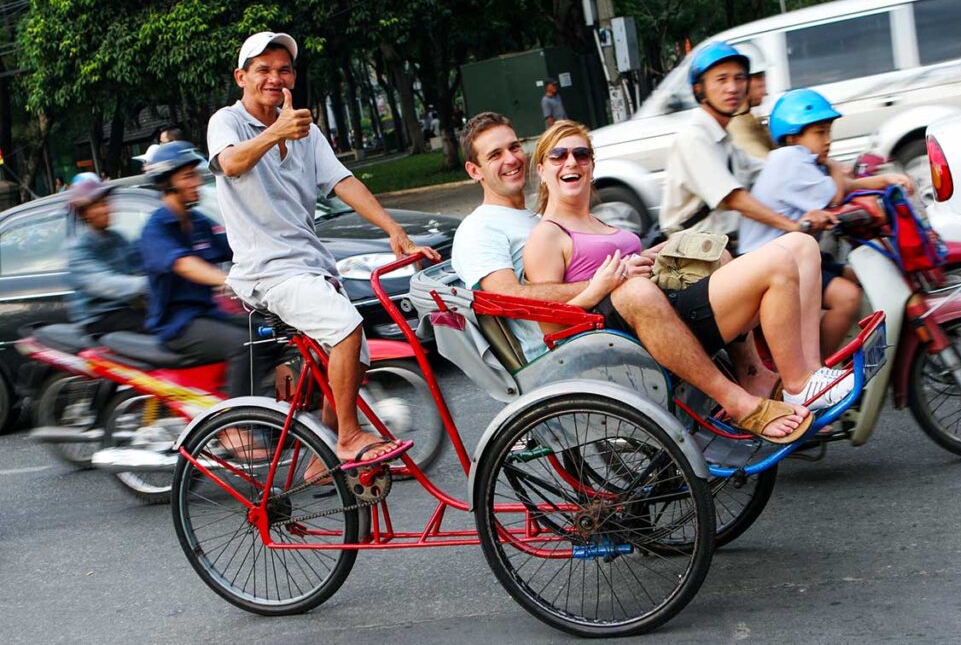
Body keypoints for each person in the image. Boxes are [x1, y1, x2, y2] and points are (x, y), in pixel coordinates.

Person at [453, 112, 819, 444]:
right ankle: (760, 392)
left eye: (513, 147)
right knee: (643, 290)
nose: (511, 159)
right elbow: (507, 297)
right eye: (495, 155)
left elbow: (590, 258)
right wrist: (605, 281)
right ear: (475, 171)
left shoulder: (536, 217)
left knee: (726, 252)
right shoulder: (483, 229)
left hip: (626, 308)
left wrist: (646, 257)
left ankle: (758, 371)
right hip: (581, 343)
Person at [206, 31, 437, 467]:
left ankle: (324, 456)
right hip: (269, 271)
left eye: (284, 70)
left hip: (311, 264)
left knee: (358, 352)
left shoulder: (304, 131)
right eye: (264, 70)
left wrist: (393, 229)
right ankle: (349, 436)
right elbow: (231, 163)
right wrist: (276, 131)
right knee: (346, 328)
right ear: (242, 77)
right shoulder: (228, 121)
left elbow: (342, 181)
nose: (275, 78)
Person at [523, 120, 854, 424]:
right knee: (778, 263)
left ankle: (810, 372)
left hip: (664, 304)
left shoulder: (599, 223)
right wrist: (598, 288)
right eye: (558, 155)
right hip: (636, 334)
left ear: (592, 166)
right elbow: (552, 328)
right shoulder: (547, 235)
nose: (571, 162)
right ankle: (796, 383)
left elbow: (629, 267)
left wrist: (650, 255)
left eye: (581, 154)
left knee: (801, 246)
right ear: (542, 169)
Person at [739, 89, 915, 354]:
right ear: (793, 136)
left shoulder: (803, 162)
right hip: (768, 264)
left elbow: (848, 184)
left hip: (794, 257)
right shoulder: (788, 160)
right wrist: (833, 166)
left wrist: (887, 181)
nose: (827, 140)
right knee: (847, 297)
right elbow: (835, 194)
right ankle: (816, 370)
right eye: (819, 133)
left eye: (828, 132)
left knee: (860, 277)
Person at [138, 141, 278, 399]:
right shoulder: (155, 229)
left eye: (195, 175)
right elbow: (184, 265)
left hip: (207, 313)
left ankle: (270, 400)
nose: (196, 182)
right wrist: (227, 280)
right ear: (168, 183)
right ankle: (237, 423)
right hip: (178, 325)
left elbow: (237, 247)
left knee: (269, 329)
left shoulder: (199, 223)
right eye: (187, 177)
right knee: (244, 344)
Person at [660, 41, 832, 238]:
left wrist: (830, 168)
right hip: (697, 253)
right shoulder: (693, 139)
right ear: (700, 89)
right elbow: (735, 199)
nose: (732, 88)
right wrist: (793, 226)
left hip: (727, 243)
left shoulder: (725, 139)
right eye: (721, 80)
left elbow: (769, 170)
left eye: (739, 78)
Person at [65, 173, 148, 336]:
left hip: (126, 311)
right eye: (98, 205)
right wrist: (149, 283)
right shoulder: (78, 248)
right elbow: (104, 283)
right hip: (99, 319)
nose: (106, 209)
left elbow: (138, 266)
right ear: (84, 213)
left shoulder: (118, 239)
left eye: (106, 203)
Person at [727, 42, 773, 160]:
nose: (763, 83)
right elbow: (766, 165)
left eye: (763, 76)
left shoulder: (749, 119)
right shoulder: (737, 126)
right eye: (757, 77)